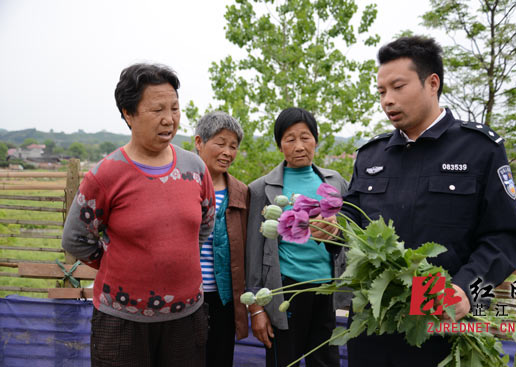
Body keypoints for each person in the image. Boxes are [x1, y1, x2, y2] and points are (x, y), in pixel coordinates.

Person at [339, 36, 516, 366]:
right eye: (382, 92)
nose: (388, 100)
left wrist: (467, 290)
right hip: (376, 327)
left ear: (432, 83)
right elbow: (349, 225)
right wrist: (328, 229)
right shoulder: (370, 156)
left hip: (444, 327)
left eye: (398, 87)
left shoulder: (480, 149)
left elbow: (505, 238)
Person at [62, 63, 215, 366]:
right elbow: (76, 239)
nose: (169, 119)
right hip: (122, 321)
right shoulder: (106, 176)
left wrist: (172, 252)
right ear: (127, 114)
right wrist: (122, 261)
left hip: (187, 316)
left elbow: (204, 225)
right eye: (157, 109)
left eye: (174, 108)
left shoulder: (195, 169)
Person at [245, 107, 348, 367]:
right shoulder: (261, 189)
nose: (299, 146)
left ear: (316, 139)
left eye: (306, 137)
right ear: (280, 145)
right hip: (286, 291)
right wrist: (256, 307)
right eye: (290, 139)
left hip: (327, 291)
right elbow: (253, 254)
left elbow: (348, 237)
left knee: (326, 361)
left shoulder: (335, 182)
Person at [194, 111, 249, 366]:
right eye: (220, 143)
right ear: (199, 143)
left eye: (233, 146)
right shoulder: (182, 185)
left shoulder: (241, 192)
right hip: (186, 297)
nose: (227, 152)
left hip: (224, 298)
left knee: (220, 358)